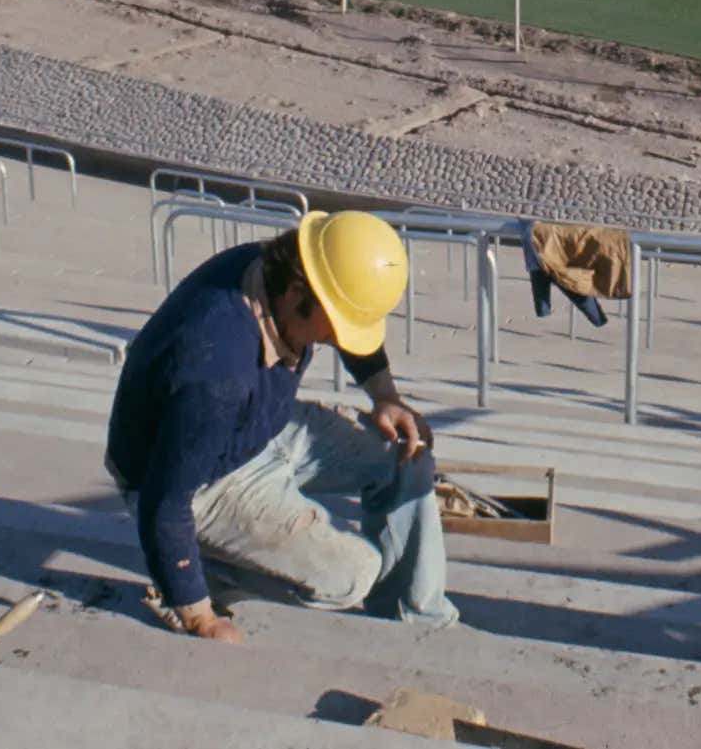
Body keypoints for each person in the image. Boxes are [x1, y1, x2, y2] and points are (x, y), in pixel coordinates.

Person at [104, 210, 459, 643]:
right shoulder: (215, 370)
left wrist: (386, 397)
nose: (340, 340)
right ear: (296, 293)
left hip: (257, 426)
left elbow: (347, 319)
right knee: (350, 576)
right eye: (336, 328)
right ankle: (203, 577)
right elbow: (165, 500)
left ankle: (416, 618)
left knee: (406, 451)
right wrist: (199, 617)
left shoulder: (272, 269)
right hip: (197, 482)